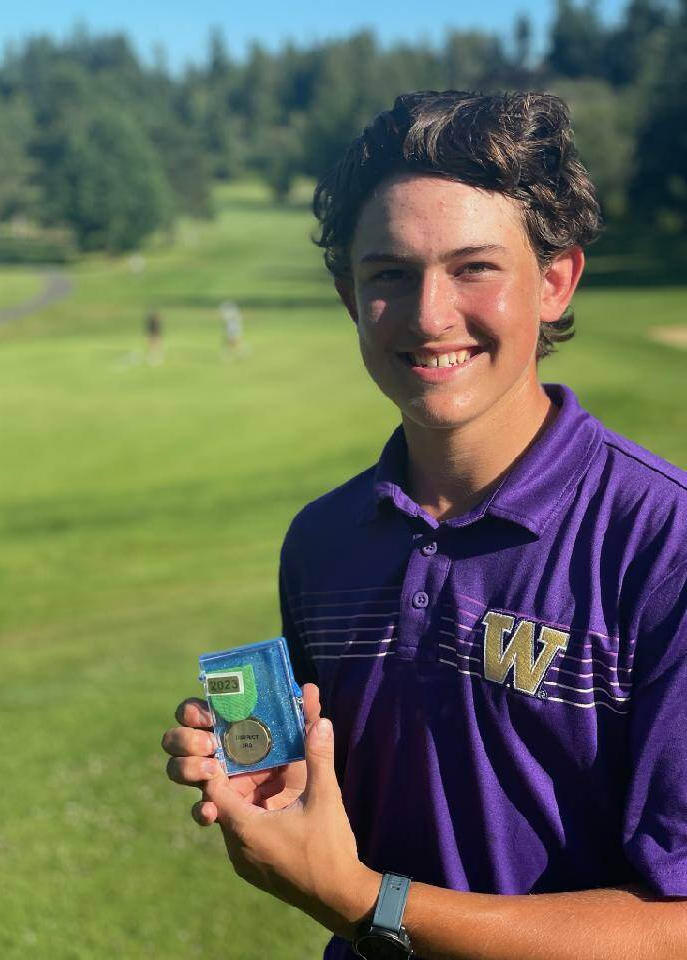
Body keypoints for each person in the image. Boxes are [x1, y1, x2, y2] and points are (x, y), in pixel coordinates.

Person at [162, 91, 687, 959]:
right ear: (349, 294)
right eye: (391, 274)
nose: (430, 314)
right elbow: (371, 808)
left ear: (555, 282)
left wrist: (373, 904)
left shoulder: (660, 544)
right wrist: (290, 791)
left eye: (474, 267)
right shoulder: (323, 541)